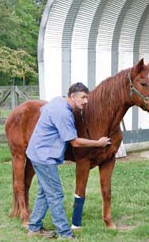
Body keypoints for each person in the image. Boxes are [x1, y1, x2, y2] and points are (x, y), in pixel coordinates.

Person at [26, 82, 111, 239]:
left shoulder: (58, 101)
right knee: (55, 194)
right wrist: (98, 143)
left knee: (45, 192)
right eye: (83, 98)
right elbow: (75, 142)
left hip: (36, 153)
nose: (86, 101)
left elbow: (43, 110)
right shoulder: (63, 113)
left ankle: (34, 228)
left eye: (87, 97)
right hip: (44, 157)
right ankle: (64, 233)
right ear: (73, 96)